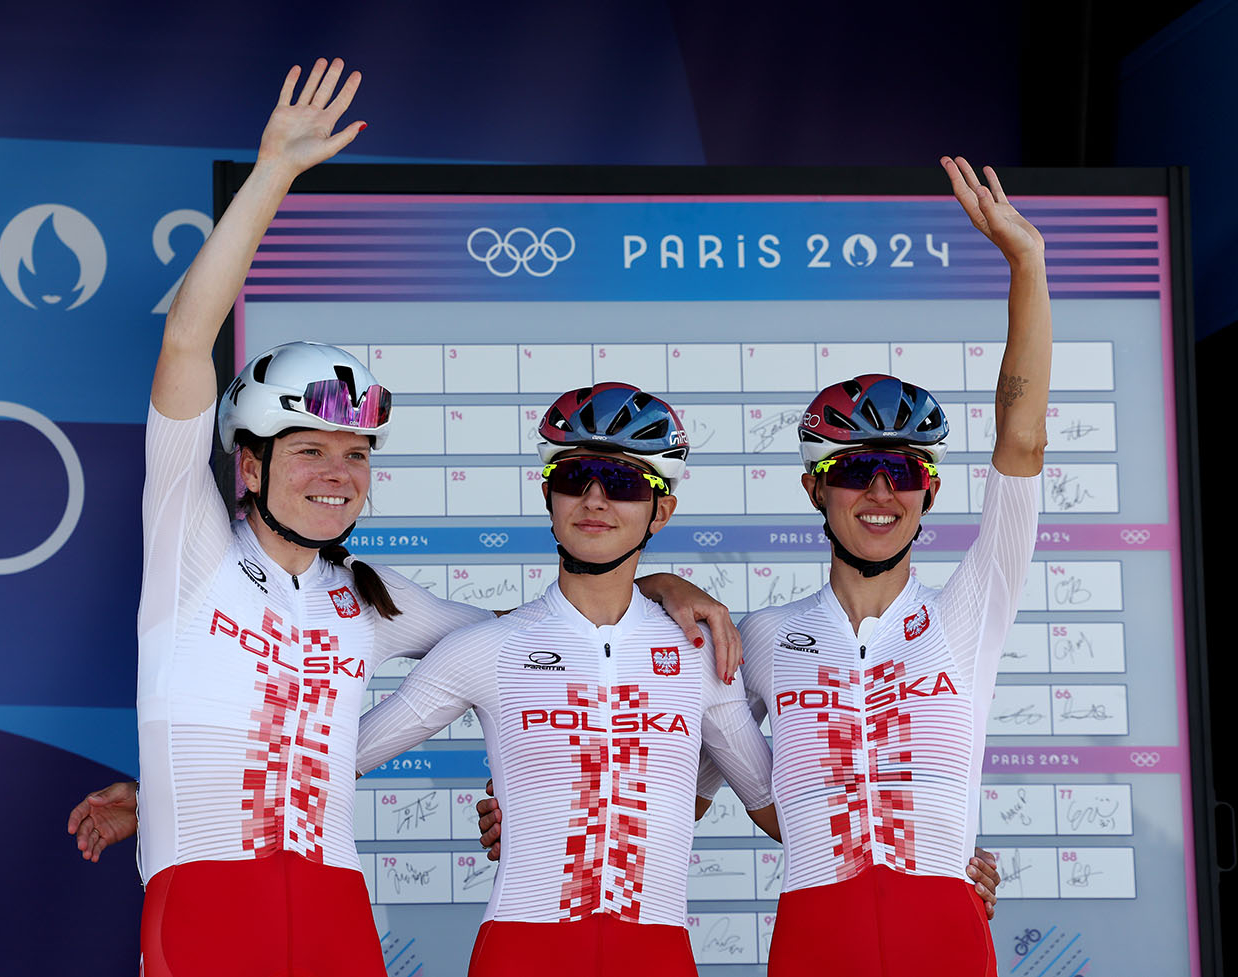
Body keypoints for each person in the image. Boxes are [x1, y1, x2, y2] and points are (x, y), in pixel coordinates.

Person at [72, 60, 738, 977]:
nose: (338, 474)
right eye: (310, 450)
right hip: (209, 907)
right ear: (252, 464)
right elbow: (187, 341)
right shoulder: (191, 551)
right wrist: (274, 173)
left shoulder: (369, 600)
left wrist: (658, 582)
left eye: (356, 455)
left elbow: (553, 637)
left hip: (340, 911)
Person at [694, 156, 1049, 976]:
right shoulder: (767, 635)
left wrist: (1026, 263)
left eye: (906, 471)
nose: (881, 492)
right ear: (816, 487)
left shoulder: (970, 608)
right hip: (816, 930)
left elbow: (1021, 442)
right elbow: (674, 768)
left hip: (944, 928)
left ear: (929, 490)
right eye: (855, 470)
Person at [351, 382, 778, 977]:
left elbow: (782, 812)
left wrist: (945, 846)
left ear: (663, 509)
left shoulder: (699, 653)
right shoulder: (485, 647)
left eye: (625, 483)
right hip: (522, 953)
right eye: (576, 480)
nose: (596, 501)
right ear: (549, 496)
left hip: (657, 955)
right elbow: (330, 761)